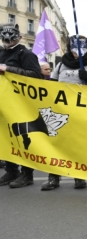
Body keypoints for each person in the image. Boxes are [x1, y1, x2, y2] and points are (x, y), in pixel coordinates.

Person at [41, 35, 87, 191]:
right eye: (75, 48)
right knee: (56, 144)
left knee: (79, 145)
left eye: (81, 48)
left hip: (83, 114)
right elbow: (52, 86)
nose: (78, 52)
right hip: (60, 112)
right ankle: (53, 177)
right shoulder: (61, 65)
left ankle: (79, 177)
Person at [0, 24, 43, 188]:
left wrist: (8, 69)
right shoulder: (1, 52)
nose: (7, 41)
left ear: (19, 37)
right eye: (4, 38)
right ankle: (12, 171)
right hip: (4, 102)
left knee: (22, 138)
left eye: (10, 38)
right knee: (5, 138)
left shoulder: (26, 54)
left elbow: (35, 75)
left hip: (20, 104)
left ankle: (27, 173)